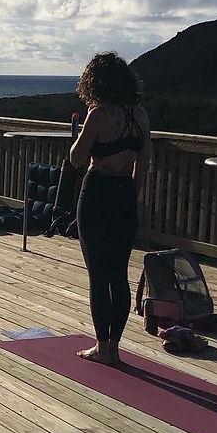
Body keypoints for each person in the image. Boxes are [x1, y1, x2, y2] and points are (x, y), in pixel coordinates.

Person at [69, 52, 152, 365]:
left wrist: (79, 134)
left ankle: (102, 347)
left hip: (97, 192)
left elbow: (78, 157)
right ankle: (115, 347)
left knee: (97, 274)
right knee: (118, 274)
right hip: (124, 195)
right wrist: (131, 192)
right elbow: (143, 161)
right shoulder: (141, 115)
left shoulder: (99, 113)